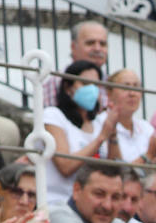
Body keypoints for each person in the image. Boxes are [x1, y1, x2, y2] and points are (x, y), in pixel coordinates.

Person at [41, 60, 113, 205]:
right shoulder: (53, 115)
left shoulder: (100, 123)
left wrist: (114, 134)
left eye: (96, 85)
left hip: (95, 205)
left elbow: (113, 170)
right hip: (58, 202)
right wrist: (101, 139)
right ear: (68, 88)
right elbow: (65, 166)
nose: (92, 90)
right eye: (85, 84)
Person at [105, 69, 156, 166]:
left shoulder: (146, 127)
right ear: (109, 93)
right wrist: (149, 155)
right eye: (125, 87)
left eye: (136, 86)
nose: (132, 93)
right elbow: (118, 174)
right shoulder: (99, 125)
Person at [43, 20, 109, 106]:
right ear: (73, 47)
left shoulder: (112, 83)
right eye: (90, 43)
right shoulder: (58, 81)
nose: (97, 48)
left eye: (102, 44)